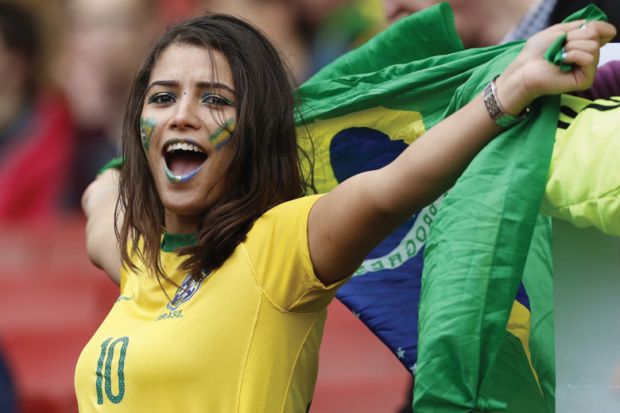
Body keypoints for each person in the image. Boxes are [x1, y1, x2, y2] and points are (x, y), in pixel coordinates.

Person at [76, 12, 615, 412]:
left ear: (256, 133)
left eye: (215, 100)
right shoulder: (135, 253)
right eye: (163, 98)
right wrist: (122, 163)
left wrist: (511, 89)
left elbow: (392, 187)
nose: (184, 116)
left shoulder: (276, 247)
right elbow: (101, 195)